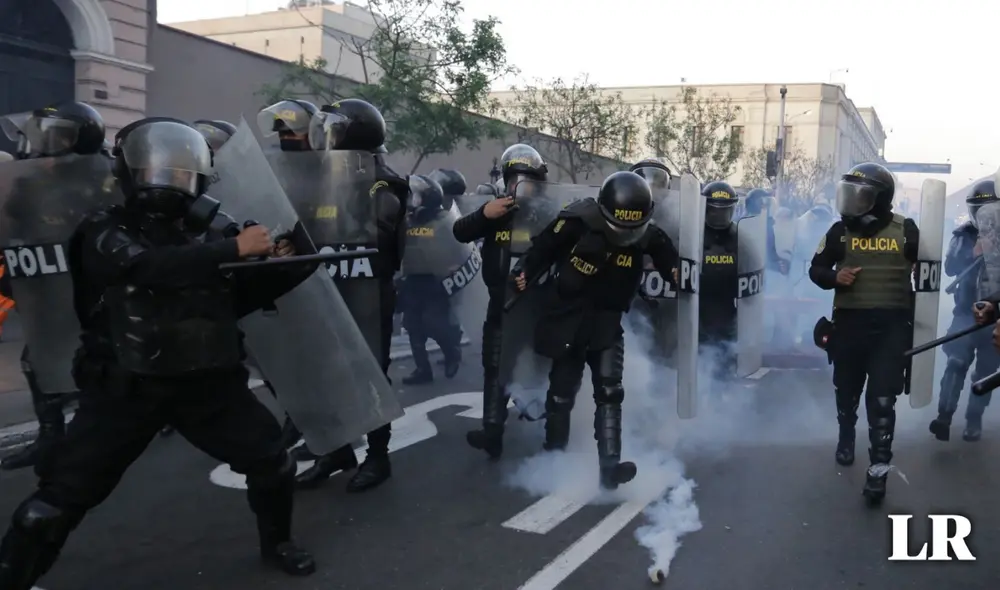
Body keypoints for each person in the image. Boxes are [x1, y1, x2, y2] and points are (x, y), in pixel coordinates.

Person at [0, 118, 319, 588]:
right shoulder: (102, 230)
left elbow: (233, 301)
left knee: (272, 462)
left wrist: (282, 262)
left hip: (208, 384)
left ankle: (278, 543)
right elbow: (145, 268)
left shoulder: (207, 238)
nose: (168, 184)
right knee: (54, 504)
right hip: (125, 390)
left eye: (179, 174)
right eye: (158, 172)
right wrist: (233, 246)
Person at [511, 170, 678, 489]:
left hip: (607, 321)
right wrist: (524, 271)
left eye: (634, 227)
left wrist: (675, 271)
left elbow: (666, 254)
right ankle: (553, 455)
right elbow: (542, 249)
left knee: (610, 392)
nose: (626, 234)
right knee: (561, 395)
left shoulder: (647, 233)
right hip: (569, 320)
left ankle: (610, 467)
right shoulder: (577, 220)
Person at [294, 98, 409, 492]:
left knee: (369, 374)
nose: (324, 137)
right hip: (329, 284)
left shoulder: (382, 180)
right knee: (326, 372)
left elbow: (380, 226)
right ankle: (335, 451)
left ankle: (378, 457)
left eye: (333, 130)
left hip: (368, 291)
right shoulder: (323, 176)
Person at [0, 102, 106, 472]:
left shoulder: (103, 180)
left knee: (96, 362)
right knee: (37, 360)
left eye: (58, 136)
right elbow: (13, 220)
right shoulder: (31, 181)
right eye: (45, 134)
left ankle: (96, 438)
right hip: (47, 284)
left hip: (94, 289)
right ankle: (50, 438)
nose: (48, 143)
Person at [808, 162, 918, 504]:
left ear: (880, 199)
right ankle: (846, 435)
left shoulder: (907, 231)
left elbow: (930, 277)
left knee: (883, 401)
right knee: (847, 391)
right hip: (849, 327)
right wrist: (833, 278)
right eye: (849, 194)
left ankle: (878, 471)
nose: (852, 202)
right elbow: (816, 269)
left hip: (891, 330)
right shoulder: (838, 232)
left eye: (861, 196)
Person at [454, 143, 548, 459]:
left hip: (537, 306)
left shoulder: (546, 213)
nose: (519, 187)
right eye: (514, 180)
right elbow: (459, 232)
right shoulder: (496, 211)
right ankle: (492, 431)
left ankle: (554, 427)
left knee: (545, 367)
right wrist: (483, 214)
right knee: (495, 368)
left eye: (527, 180)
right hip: (500, 304)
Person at [933, 180, 1000, 441]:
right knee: (955, 362)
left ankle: (974, 420)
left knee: (986, 371)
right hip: (964, 312)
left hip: (995, 317)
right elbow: (950, 267)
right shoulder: (963, 234)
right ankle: (944, 417)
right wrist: (974, 252)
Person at [399, 175, 463, 384]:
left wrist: (454, 266)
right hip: (412, 280)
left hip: (436, 281)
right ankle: (422, 369)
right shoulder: (409, 219)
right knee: (412, 326)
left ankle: (451, 352)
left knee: (435, 324)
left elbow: (458, 246)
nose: (413, 199)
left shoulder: (444, 220)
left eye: (417, 195)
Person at [698, 181, 742, 372]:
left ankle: (726, 394)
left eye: (725, 210)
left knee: (727, 356)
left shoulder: (740, 236)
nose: (719, 215)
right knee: (700, 356)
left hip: (728, 307)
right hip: (698, 307)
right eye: (715, 210)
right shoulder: (694, 234)